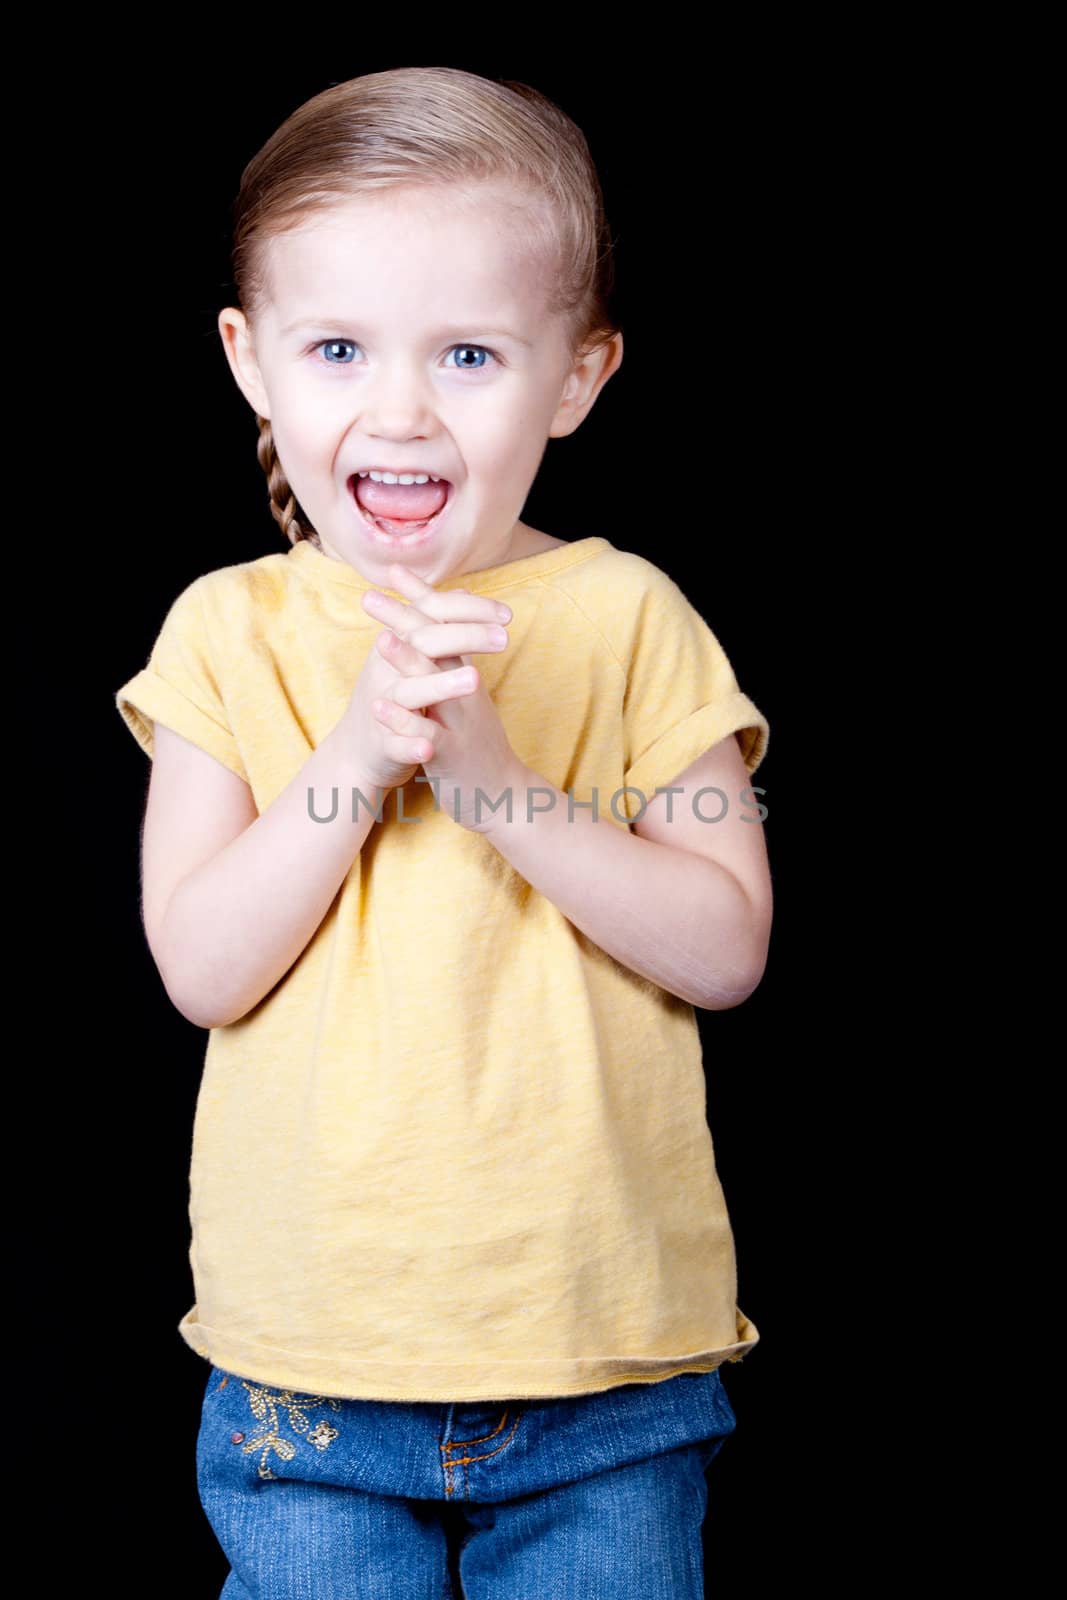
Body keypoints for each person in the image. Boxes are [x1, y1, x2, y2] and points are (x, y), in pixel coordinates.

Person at [114, 65, 773, 1600]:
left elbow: (727, 943)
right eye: (338, 347)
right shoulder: (231, 631)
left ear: (576, 377)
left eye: (469, 353)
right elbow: (203, 964)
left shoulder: (627, 619)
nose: (399, 409)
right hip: (312, 1378)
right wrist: (360, 750)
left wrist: (497, 788)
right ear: (252, 362)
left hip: (604, 1367)